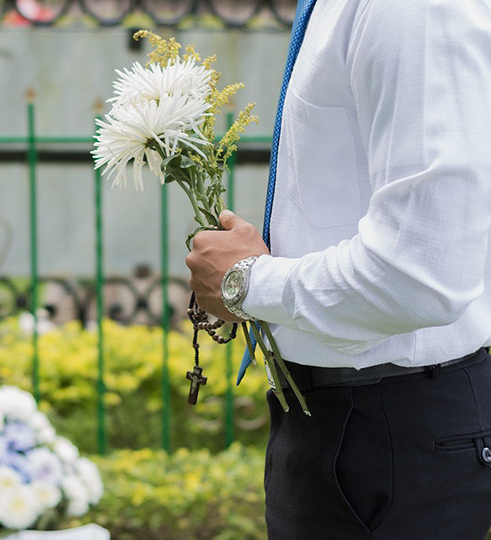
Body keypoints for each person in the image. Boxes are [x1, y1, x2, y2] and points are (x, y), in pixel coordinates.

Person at [186, 0, 491, 538]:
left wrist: (247, 283)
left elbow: (419, 275)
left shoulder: (410, 11)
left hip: (393, 435)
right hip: (340, 423)